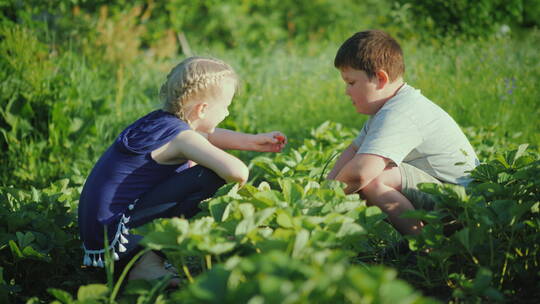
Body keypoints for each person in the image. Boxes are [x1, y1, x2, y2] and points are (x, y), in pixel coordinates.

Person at [78, 56, 287, 285]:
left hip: (100, 234)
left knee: (199, 163)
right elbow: (238, 173)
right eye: (226, 107)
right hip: (119, 237)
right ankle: (142, 264)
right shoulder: (182, 137)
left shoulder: (160, 122)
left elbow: (207, 135)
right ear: (202, 109)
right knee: (208, 175)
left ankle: (143, 258)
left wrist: (252, 141)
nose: (227, 113)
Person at [327, 30, 479, 236]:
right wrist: (325, 187)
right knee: (367, 175)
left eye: (351, 82)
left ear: (380, 79)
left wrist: (321, 203)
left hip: (463, 206)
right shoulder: (386, 109)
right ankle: (416, 241)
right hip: (442, 194)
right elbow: (353, 151)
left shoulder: (401, 112)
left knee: (373, 179)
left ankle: (424, 250)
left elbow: (360, 173)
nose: (346, 91)